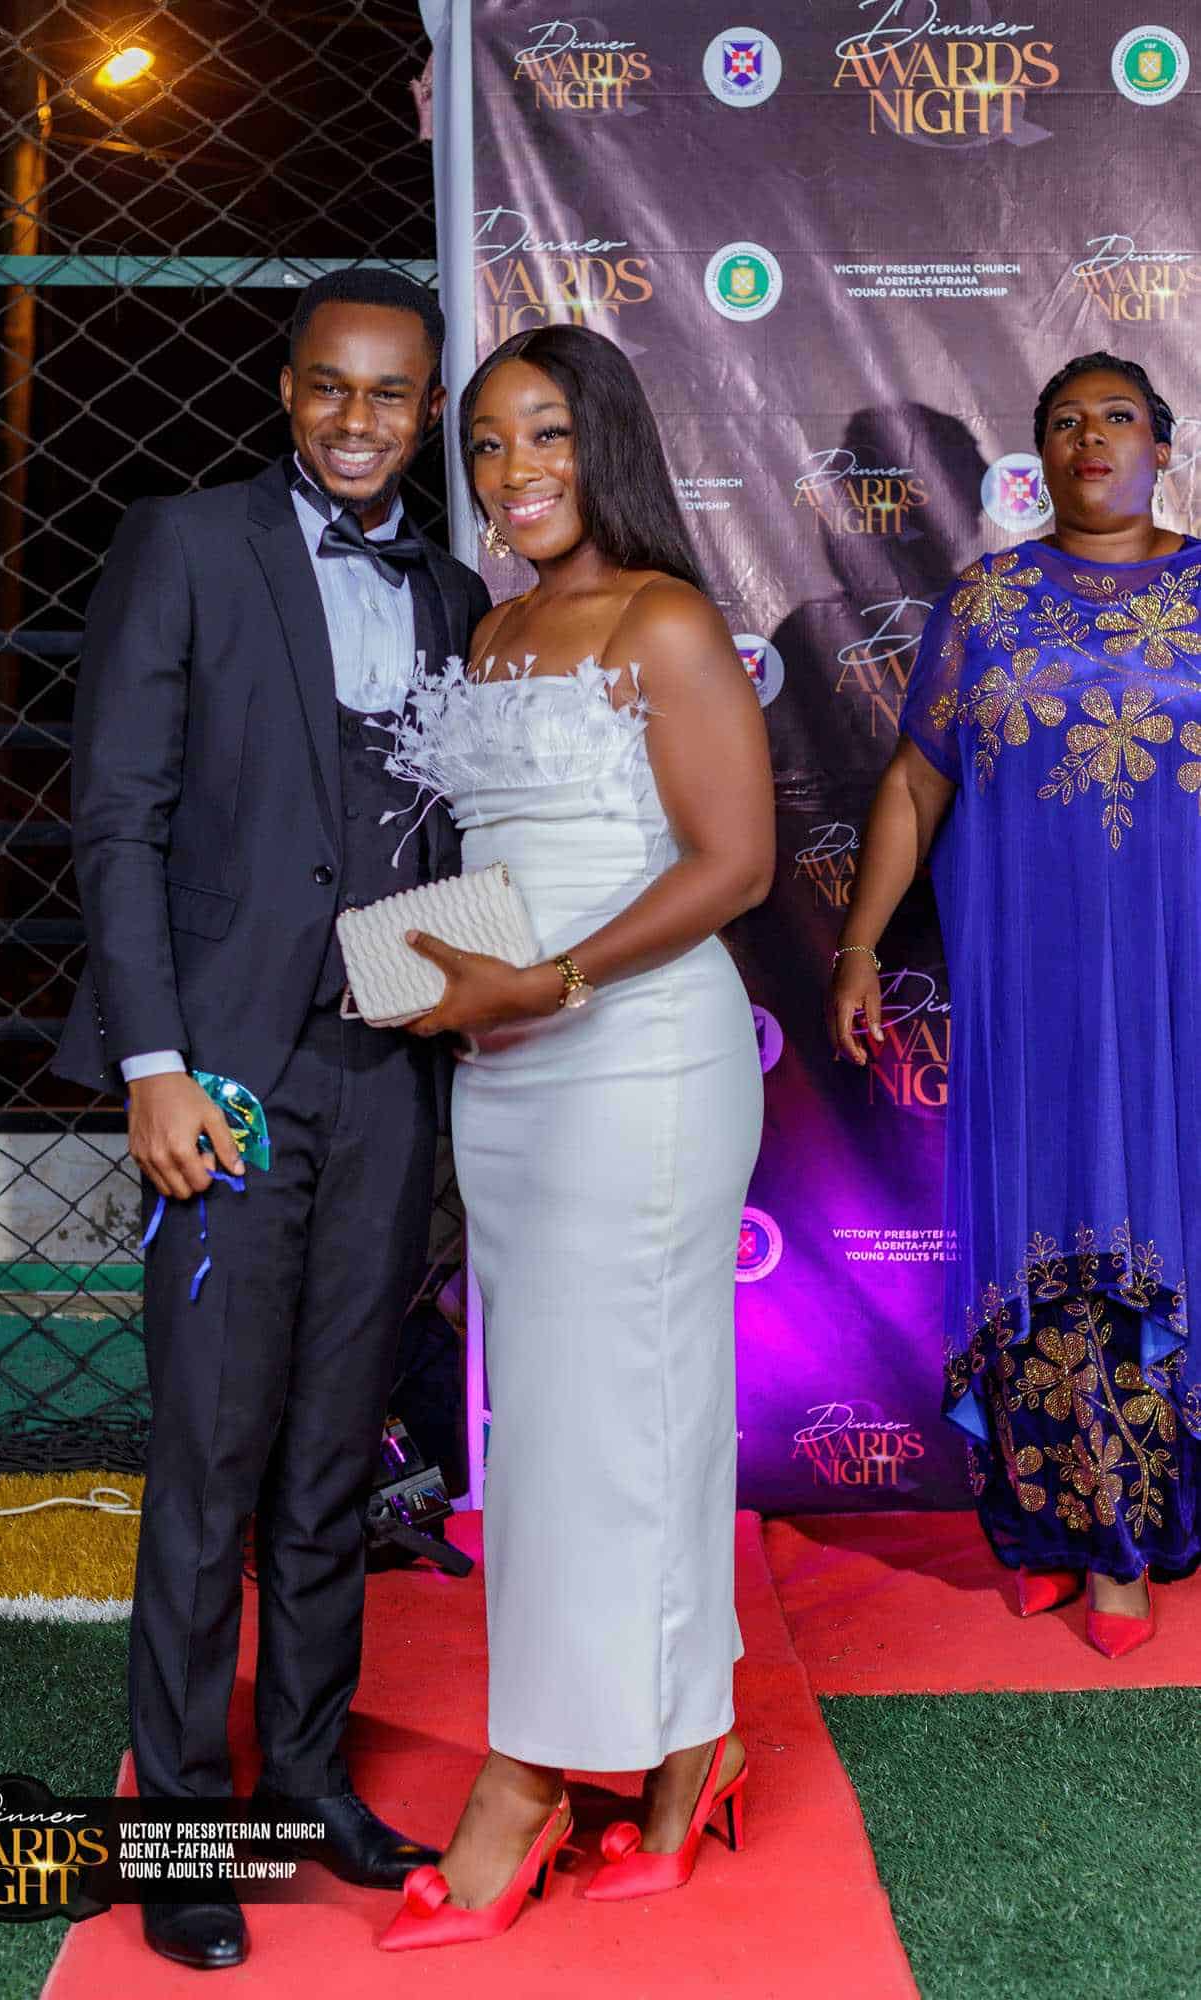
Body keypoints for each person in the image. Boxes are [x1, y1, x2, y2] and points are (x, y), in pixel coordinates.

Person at [53, 268, 491, 1971]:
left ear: (426, 410)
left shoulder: (454, 592)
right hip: (223, 1075)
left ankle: (303, 1784)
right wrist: (152, 1063)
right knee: (209, 1460)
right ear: (288, 390)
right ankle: (180, 1832)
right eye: (330, 386)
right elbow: (117, 817)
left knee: (331, 1457)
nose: (356, 420)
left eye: (390, 394)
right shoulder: (185, 544)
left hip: (384, 1073)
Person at [370, 323, 775, 1950]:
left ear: (602, 441)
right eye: (484, 443)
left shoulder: (660, 616)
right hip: (511, 1073)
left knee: (609, 1426)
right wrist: (441, 974)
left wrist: (548, 980)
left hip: (641, 1064)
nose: (512, 470)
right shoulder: (494, 628)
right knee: (572, 1424)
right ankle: (689, 1751)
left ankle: (525, 1779)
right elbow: (509, 856)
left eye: (543, 434)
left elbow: (734, 863)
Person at [830, 351, 1201, 1658]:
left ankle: (1136, 1540)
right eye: (1063, 422)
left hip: (1177, 989)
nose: (1090, 438)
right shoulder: (987, 602)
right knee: (1050, 1245)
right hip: (1033, 992)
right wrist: (859, 944)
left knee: (1162, 1232)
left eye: (1117, 417)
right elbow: (913, 782)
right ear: (1036, 458)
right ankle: (1056, 1528)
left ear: (1163, 444)